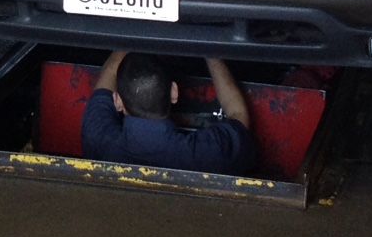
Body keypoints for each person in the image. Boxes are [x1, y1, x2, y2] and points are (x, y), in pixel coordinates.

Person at [81, 50, 256, 175]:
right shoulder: (210, 154)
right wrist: (210, 52)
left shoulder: (98, 138)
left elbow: (110, 72)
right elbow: (238, 113)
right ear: (174, 92)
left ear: (118, 101)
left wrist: (138, 18)